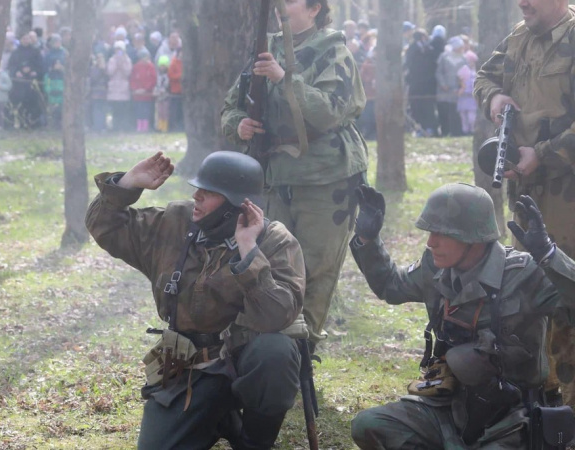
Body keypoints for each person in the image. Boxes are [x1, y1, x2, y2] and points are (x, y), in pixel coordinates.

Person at [86, 151, 304, 449]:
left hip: (245, 362)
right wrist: (127, 184)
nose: (197, 196)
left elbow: (278, 315)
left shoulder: (274, 240)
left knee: (276, 352)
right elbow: (106, 227)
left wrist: (249, 252)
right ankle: (217, 417)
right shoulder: (175, 222)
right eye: (198, 188)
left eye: (209, 192)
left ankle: (253, 442)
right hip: (188, 369)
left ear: (236, 205)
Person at [349, 183, 562, 448]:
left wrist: (549, 257)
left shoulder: (523, 274)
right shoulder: (434, 266)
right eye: (430, 232)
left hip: (510, 420)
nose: (430, 242)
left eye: (441, 233)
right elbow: (390, 286)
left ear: (472, 236)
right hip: (449, 407)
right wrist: (368, 240)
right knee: (370, 425)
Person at [222, 0, 368, 345]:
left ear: (315, 8)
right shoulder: (266, 49)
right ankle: (266, 348)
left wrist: (285, 79)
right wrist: (237, 125)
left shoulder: (333, 52)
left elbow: (331, 112)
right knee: (269, 264)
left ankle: (304, 350)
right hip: (275, 180)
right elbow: (233, 104)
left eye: (291, 0)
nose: (280, 6)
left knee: (316, 270)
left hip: (326, 180)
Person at [474, 0, 575, 408]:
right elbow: (484, 77)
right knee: (531, 293)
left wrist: (545, 153)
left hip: (568, 196)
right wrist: (495, 98)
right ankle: (542, 401)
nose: (522, 2)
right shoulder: (519, 37)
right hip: (528, 196)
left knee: (568, 295)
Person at [435, 36, 466, 136]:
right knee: (444, 111)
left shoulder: (463, 59)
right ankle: (445, 131)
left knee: (455, 112)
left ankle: (456, 132)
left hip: (456, 91)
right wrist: (443, 84)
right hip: (444, 90)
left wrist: (462, 86)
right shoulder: (444, 57)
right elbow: (439, 72)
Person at [106, 40, 132, 132]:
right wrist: (116, 65)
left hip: (123, 88)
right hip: (114, 88)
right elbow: (109, 72)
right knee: (115, 109)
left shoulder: (127, 60)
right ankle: (115, 127)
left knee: (123, 109)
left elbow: (128, 73)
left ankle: (123, 126)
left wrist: (121, 65)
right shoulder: (111, 60)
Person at [130, 48, 156, 132]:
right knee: (139, 111)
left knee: (146, 111)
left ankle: (145, 127)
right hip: (137, 94)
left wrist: (146, 89)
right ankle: (139, 127)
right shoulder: (136, 67)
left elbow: (153, 79)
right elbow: (132, 79)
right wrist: (136, 89)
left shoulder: (151, 66)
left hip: (147, 94)